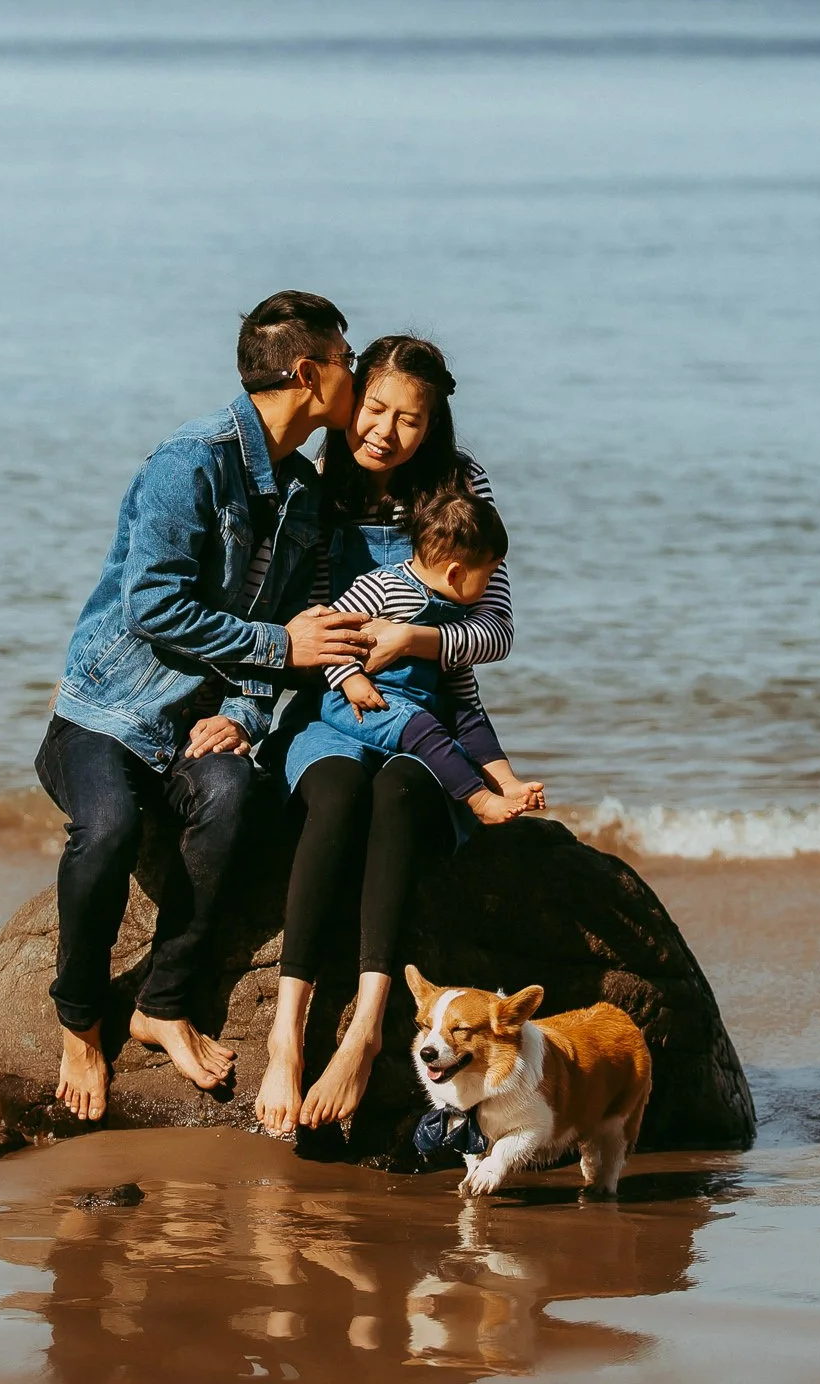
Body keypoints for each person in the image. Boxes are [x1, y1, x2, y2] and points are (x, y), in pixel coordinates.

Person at [36, 291, 372, 1122]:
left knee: (232, 799)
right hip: (107, 713)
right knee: (107, 830)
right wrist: (277, 649)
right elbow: (155, 607)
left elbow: (301, 641)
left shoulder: (302, 491)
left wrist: (250, 715)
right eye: (347, 359)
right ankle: (79, 1017)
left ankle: (161, 1004)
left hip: (205, 721)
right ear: (307, 372)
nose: (356, 376)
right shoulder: (189, 462)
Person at [254, 333, 520, 1139]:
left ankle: (370, 1026)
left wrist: (417, 643)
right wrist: (343, 671)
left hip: (421, 710)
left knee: (402, 791)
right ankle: (284, 1032)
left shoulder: (460, 483)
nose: (384, 431)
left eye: (409, 419)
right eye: (373, 408)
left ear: (432, 421)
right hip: (335, 702)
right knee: (336, 797)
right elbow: (309, 616)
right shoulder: (313, 476)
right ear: (350, 398)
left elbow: (496, 627)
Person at [319, 487, 544, 823]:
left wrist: (468, 709)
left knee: (468, 718)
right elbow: (330, 633)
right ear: (454, 573)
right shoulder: (381, 586)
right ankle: (478, 799)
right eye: (489, 575)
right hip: (365, 703)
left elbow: (456, 672)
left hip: (422, 696)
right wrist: (350, 678)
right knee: (425, 727)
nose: (491, 584)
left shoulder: (453, 606)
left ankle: (506, 783)